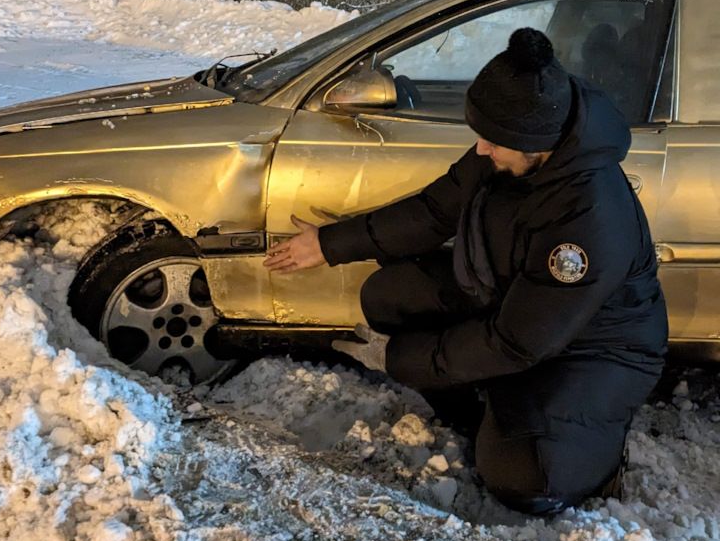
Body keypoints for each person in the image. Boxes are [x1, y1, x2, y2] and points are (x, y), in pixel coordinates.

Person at [263, 27, 667, 515]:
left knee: (528, 478)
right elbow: (433, 211)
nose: (479, 150)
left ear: (534, 144)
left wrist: (401, 359)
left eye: (492, 141)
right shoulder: (514, 150)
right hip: (513, 300)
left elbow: (517, 342)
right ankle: (495, 407)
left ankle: (586, 451)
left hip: (595, 347)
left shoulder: (588, 215)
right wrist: (329, 244)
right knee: (386, 295)